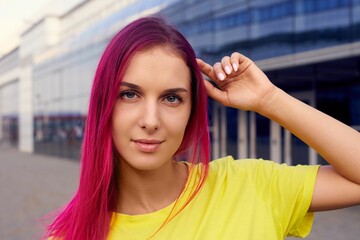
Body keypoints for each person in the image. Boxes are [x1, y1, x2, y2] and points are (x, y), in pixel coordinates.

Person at [43, 16, 360, 240]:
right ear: (104, 106)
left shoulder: (251, 187)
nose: (150, 120)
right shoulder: (70, 235)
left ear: (192, 110)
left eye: (171, 98)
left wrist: (269, 99)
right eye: (129, 94)